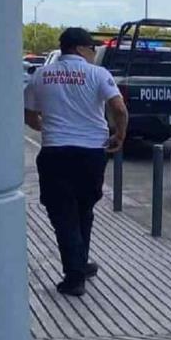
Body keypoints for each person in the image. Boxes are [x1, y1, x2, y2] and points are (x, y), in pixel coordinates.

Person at [24, 27, 129, 296]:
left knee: (63, 215)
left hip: (56, 153)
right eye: (92, 49)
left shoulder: (41, 75)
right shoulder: (98, 74)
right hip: (91, 155)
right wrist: (120, 135)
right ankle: (78, 268)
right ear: (81, 49)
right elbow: (118, 108)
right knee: (83, 210)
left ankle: (75, 274)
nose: (94, 54)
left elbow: (30, 116)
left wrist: (48, 127)